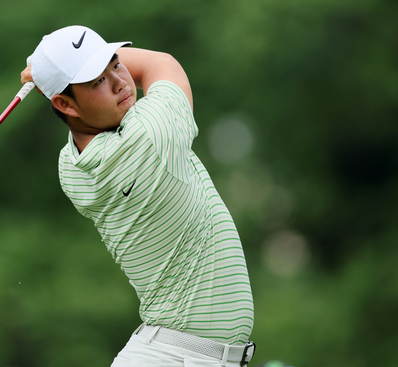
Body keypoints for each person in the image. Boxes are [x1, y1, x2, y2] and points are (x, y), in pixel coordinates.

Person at [20, 25, 256, 367]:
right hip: (178, 358)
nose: (119, 82)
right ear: (63, 104)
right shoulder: (149, 137)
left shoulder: (70, 167)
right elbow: (159, 64)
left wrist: (52, 71)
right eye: (97, 80)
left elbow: (118, 85)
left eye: (115, 63)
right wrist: (45, 74)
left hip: (173, 355)